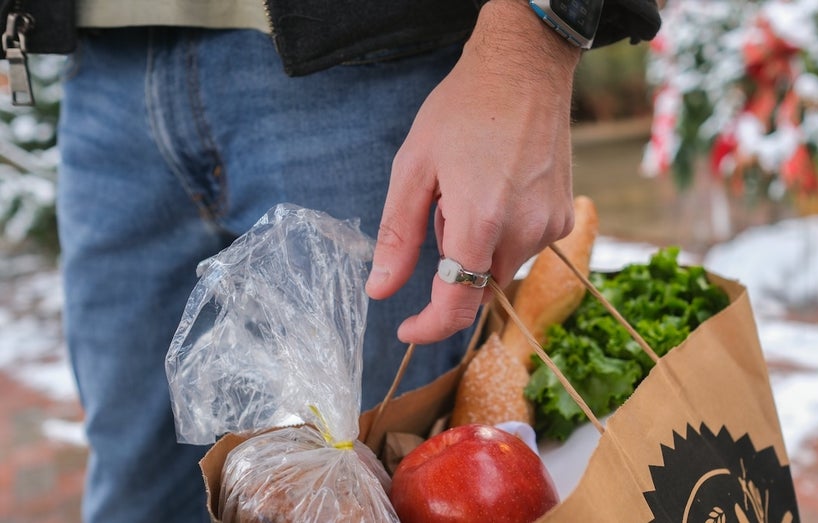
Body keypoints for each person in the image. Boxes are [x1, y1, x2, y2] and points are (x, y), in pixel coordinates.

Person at [16, 0, 661, 521]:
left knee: (379, 472)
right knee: (134, 495)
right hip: (102, 66)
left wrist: (534, 40)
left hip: (371, 55)